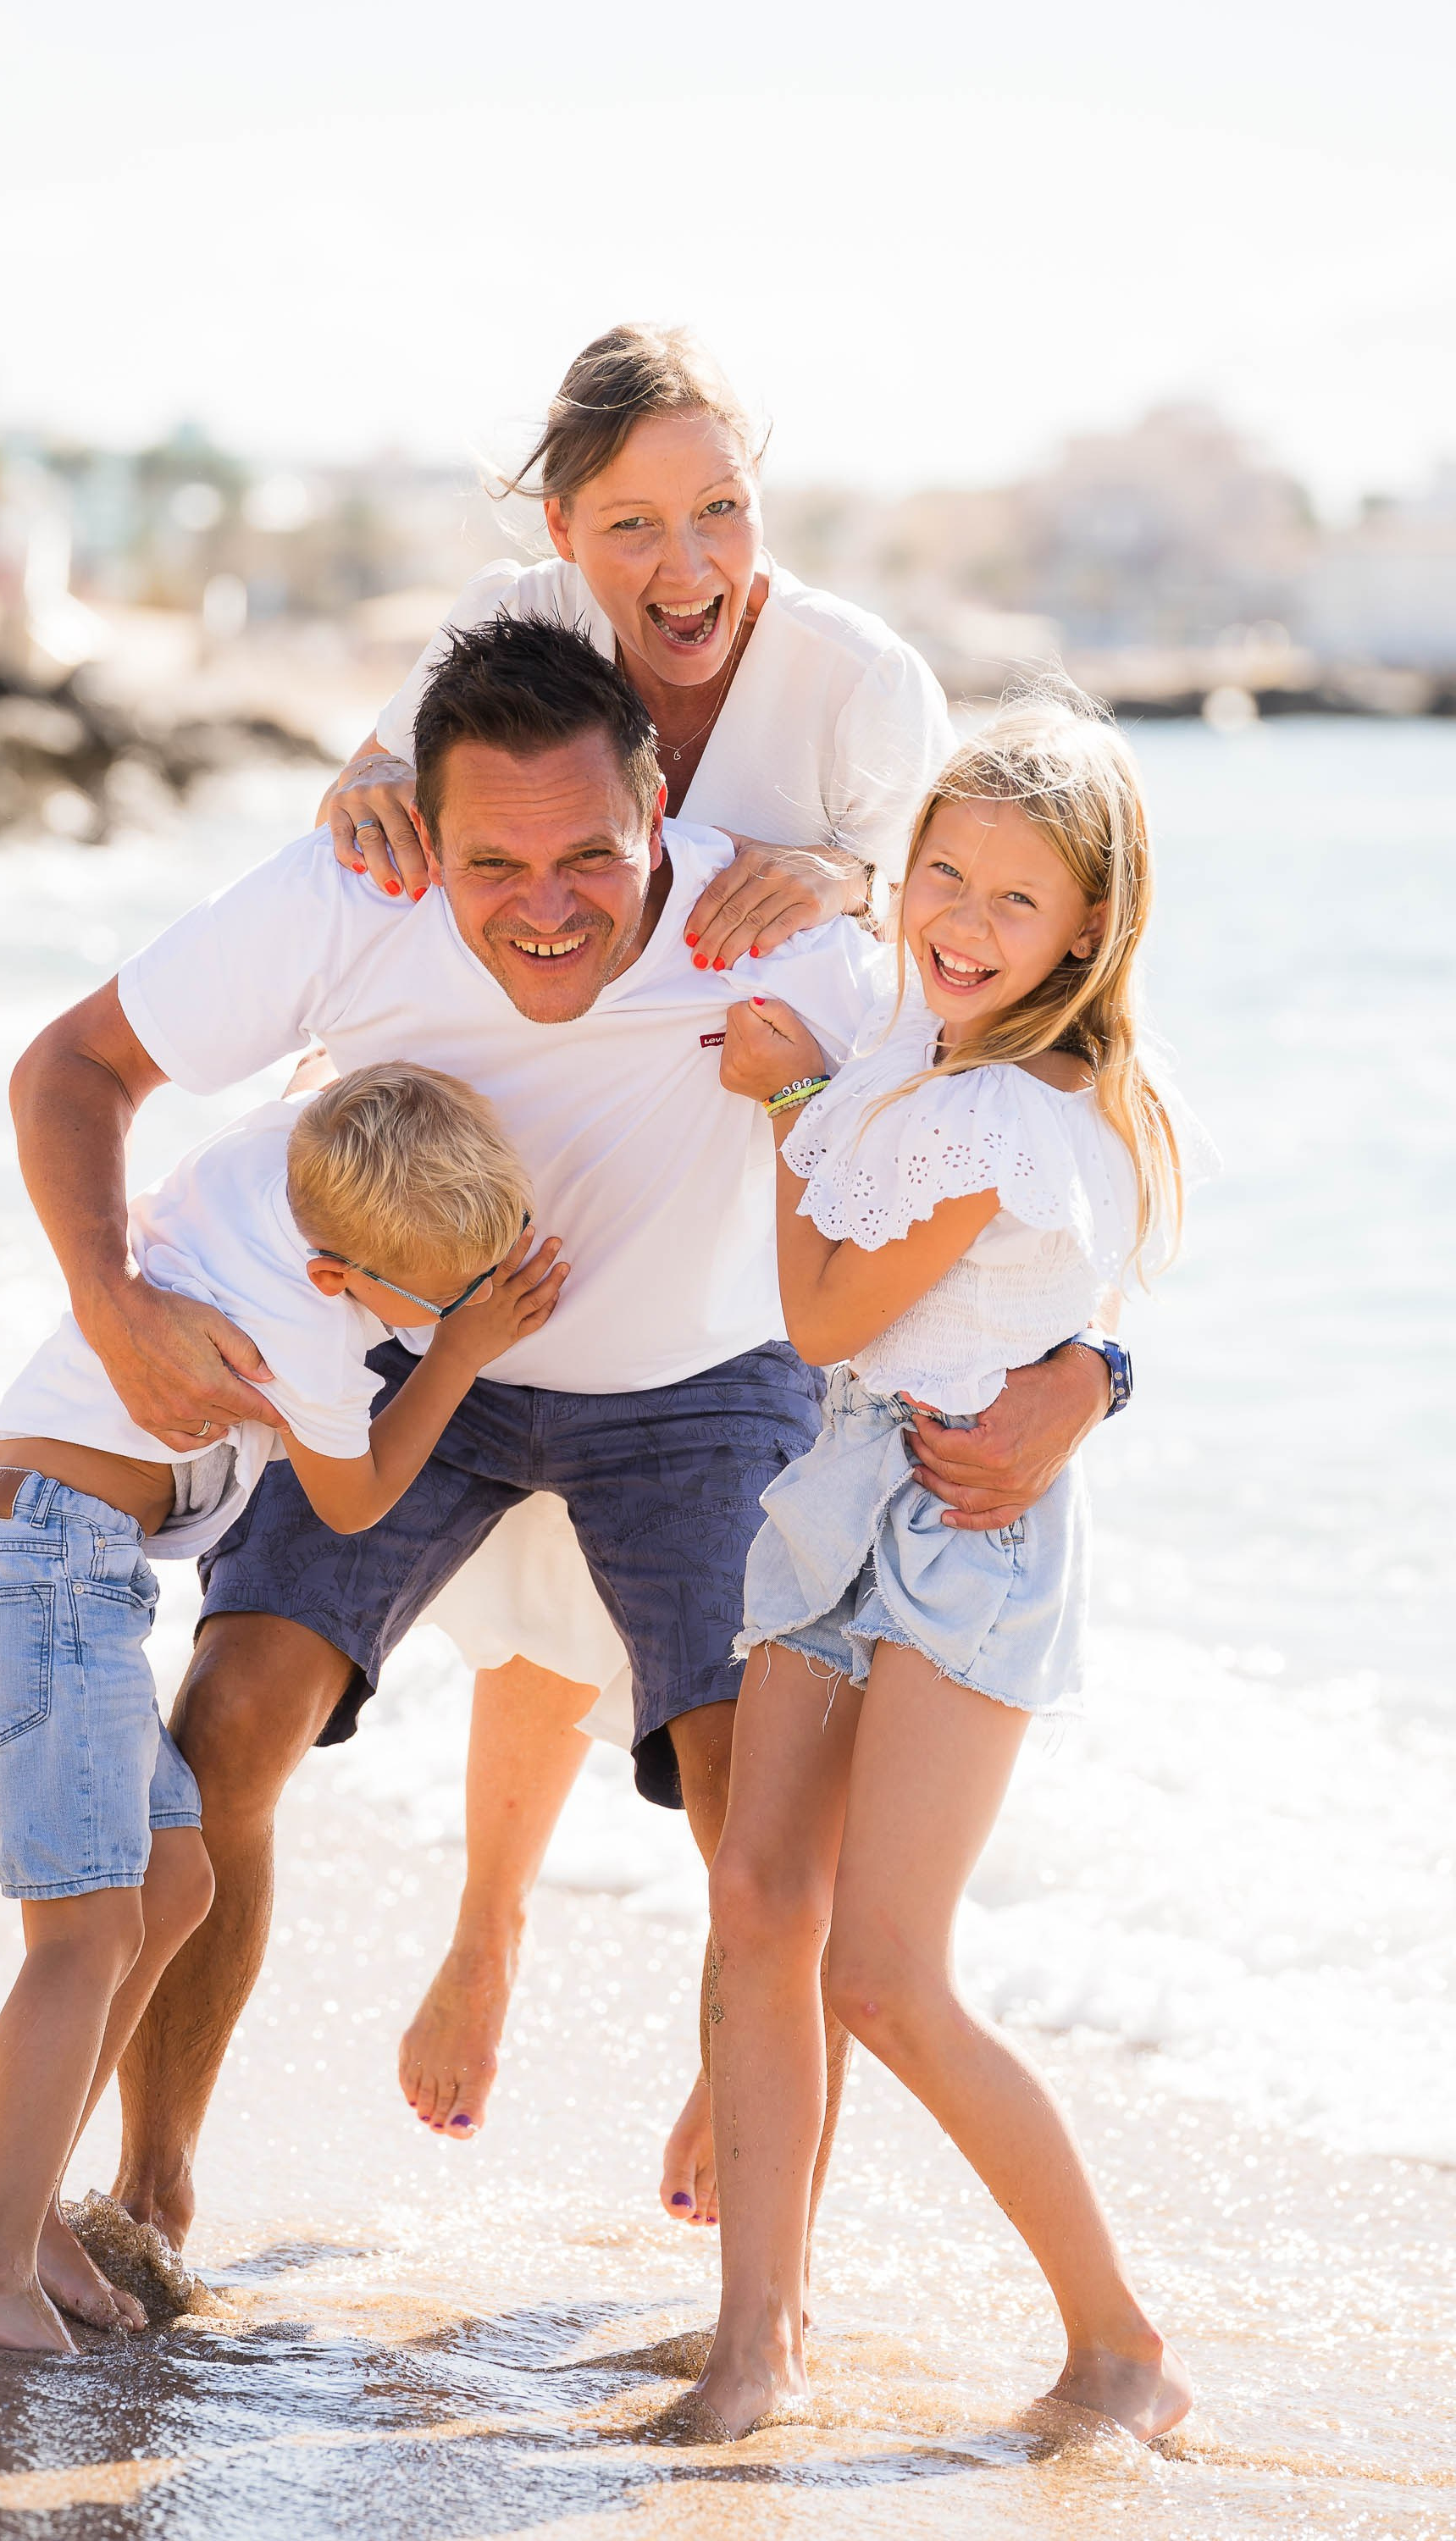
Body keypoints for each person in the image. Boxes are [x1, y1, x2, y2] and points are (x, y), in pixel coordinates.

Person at [313, 324, 1103, 2205]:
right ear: (564, 534)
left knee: (740, 1685)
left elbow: (984, 970)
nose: (688, 566)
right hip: (574, 1188)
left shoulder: (853, 679)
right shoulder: (520, 616)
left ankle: (731, 2030)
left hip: (781, 1239)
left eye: (725, 509)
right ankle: (488, 1933)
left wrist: (830, 877)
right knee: (532, 1598)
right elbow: (401, 768)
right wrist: (362, 782)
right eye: (635, 524)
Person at [10, 614, 909, 2259]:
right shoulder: (359, 888)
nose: (548, 902)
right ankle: (148, 2195)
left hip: (698, 1386)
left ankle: (760, 2266)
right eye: (496, 860)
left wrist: (1084, 1380)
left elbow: (1001, 1142)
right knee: (220, 1745)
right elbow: (71, 1066)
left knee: (758, 1822)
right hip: (410, 1356)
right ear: (425, 828)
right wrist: (115, 1303)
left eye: (594, 856)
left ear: (662, 819)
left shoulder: (769, 936)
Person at [678, 696, 1194, 2440]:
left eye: (1014, 904)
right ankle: (756, 2341)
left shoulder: (1007, 1110)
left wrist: (777, 1106)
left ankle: (1120, 2343)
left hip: (964, 1530)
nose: (961, 925)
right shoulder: (924, 1049)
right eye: (942, 876)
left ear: (1088, 932)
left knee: (883, 1973)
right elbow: (938, 1297)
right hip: (846, 1479)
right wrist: (818, 1071)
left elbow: (826, 1300)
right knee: (756, 1901)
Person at [0, 1063, 553, 2351]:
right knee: (83, 1935)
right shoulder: (305, 1333)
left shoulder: (260, 1174)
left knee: (178, 1880)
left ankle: (28, 2219)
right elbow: (357, 1499)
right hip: (41, 1572)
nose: (450, 1315)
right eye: (432, 1302)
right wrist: (462, 1358)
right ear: (338, 1280)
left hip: (14, 1556)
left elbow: (327, 1101)